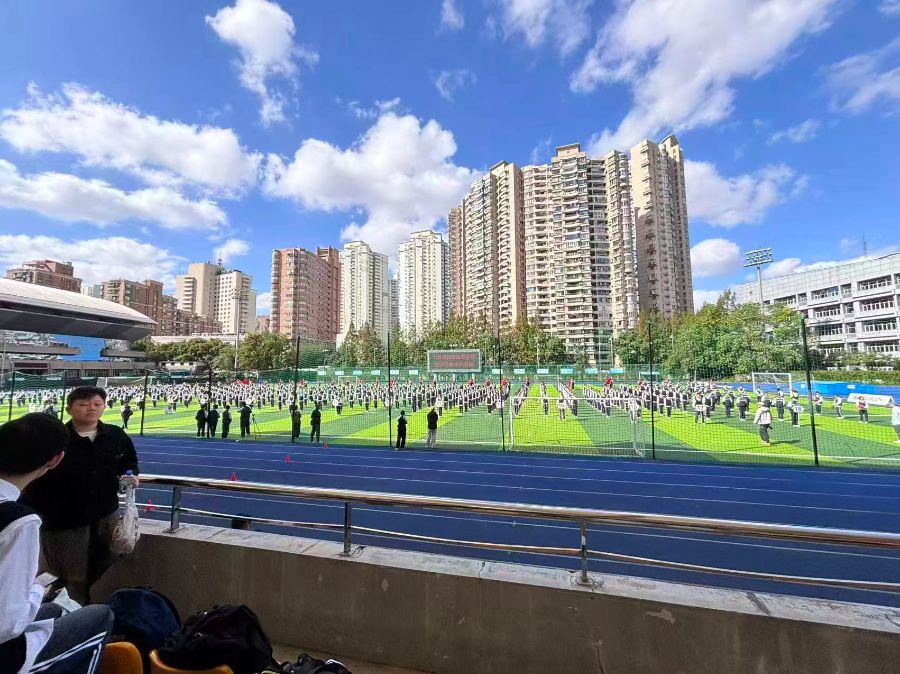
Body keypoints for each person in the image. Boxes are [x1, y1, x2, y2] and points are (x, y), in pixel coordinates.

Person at [0, 413, 115, 674]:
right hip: (6, 655)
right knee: (100, 615)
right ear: (55, 460)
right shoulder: (18, 521)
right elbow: (7, 624)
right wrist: (36, 591)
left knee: (56, 609)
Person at [21, 386, 139, 605]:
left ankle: (88, 611)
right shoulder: (56, 439)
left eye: (97, 404)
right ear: (69, 409)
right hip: (64, 519)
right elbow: (36, 477)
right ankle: (71, 615)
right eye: (83, 404)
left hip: (105, 513)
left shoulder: (115, 435)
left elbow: (129, 462)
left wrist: (131, 475)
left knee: (106, 562)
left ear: (104, 406)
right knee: (70, 576)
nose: (91, 409)